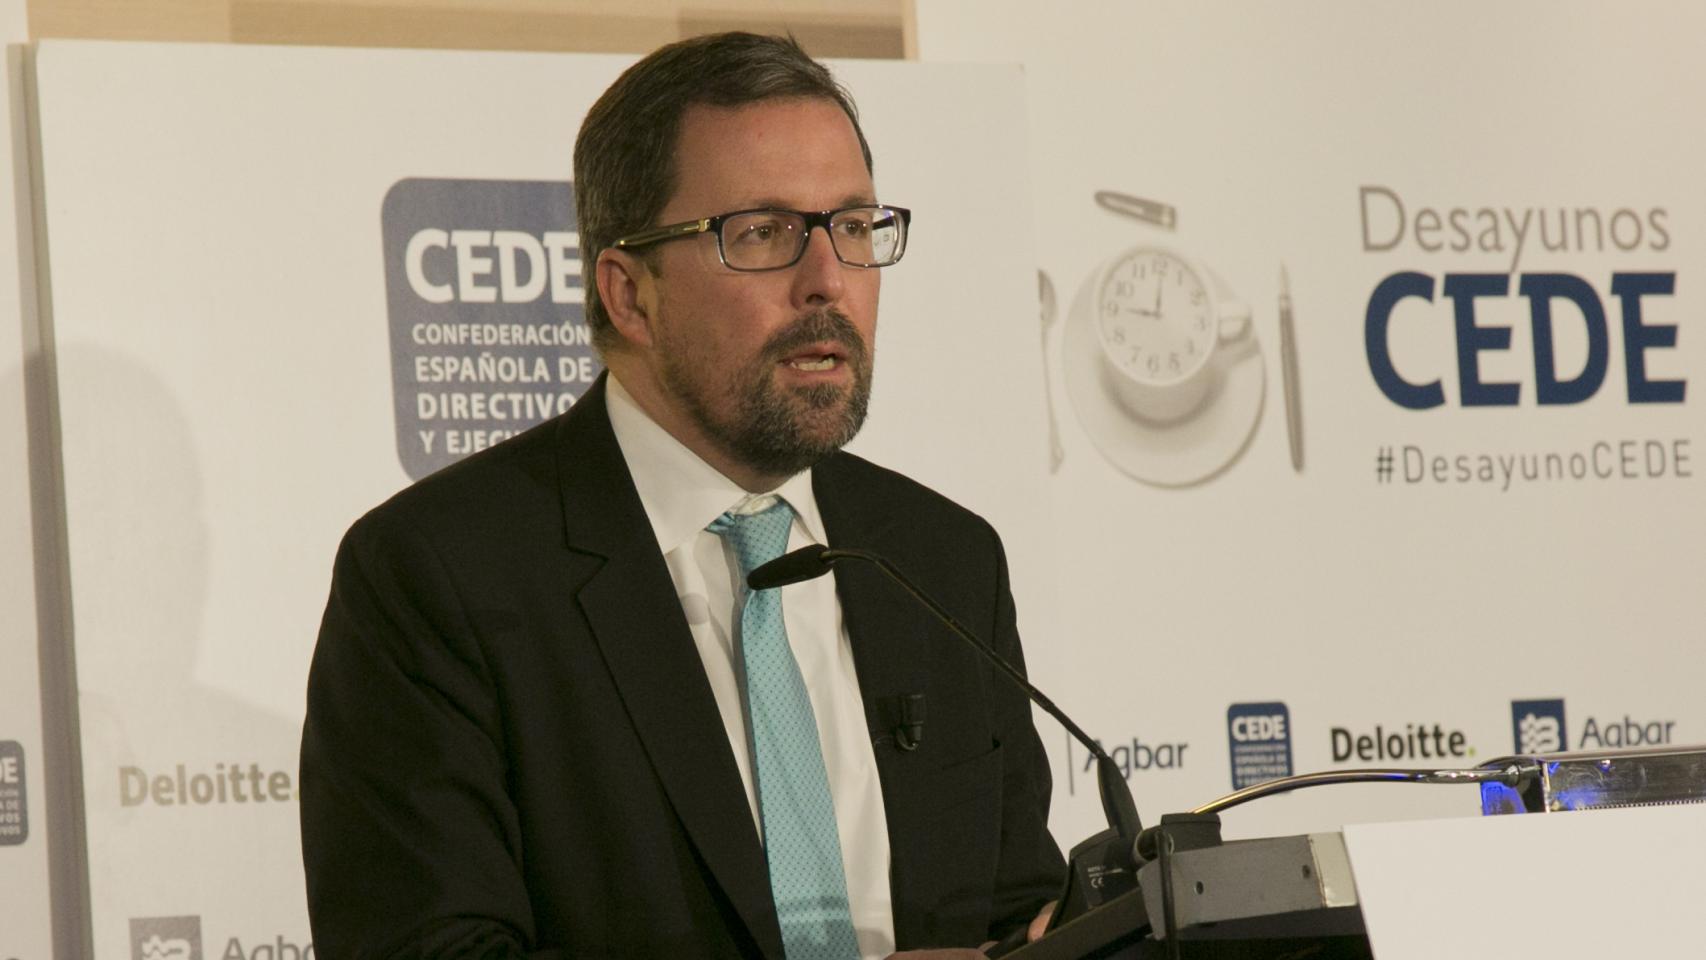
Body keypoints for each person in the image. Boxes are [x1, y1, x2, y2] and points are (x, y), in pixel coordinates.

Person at [300, 31, 1064, 959]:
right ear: (629, 293)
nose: (829, 282)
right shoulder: (440, 576)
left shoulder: (942, 558)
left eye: (856, 227)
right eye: (763, 234)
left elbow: (1019, 916)